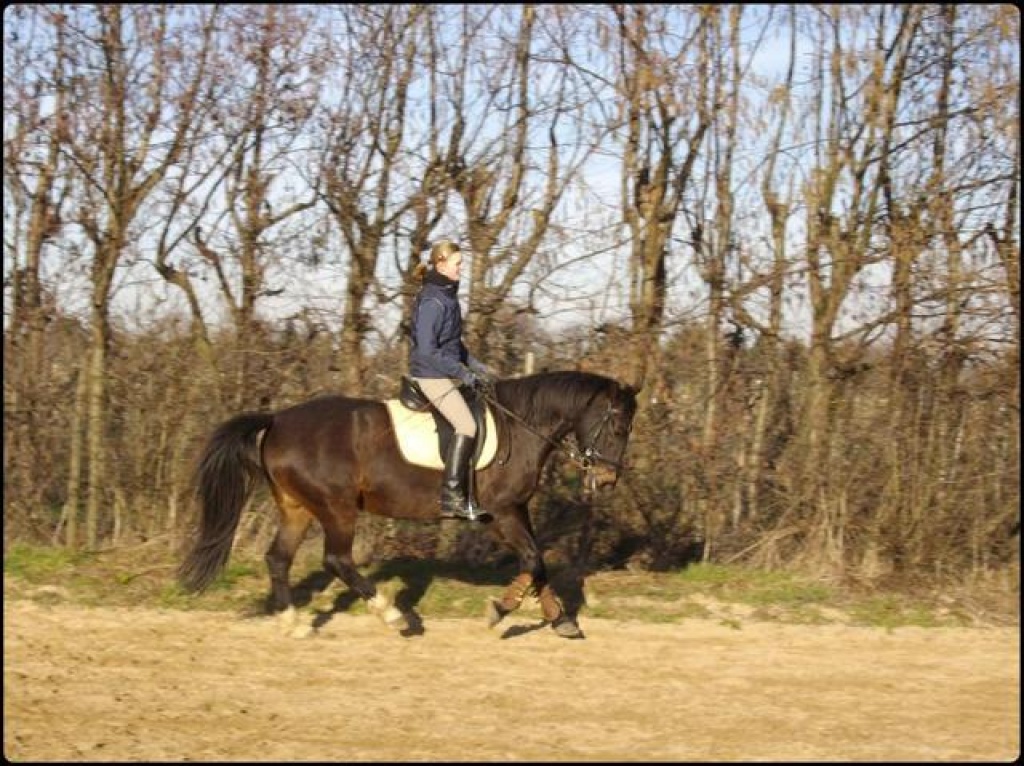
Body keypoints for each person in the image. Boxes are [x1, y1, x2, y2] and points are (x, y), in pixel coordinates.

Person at [409, 240, 494, 522]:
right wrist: (463, 374)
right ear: (441, 264)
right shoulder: (432, 301)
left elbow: (452, 345)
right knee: (467, 425)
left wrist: (477, 367)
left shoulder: (447, 296)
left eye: (461, 264)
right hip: (429, 375)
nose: (461, 269)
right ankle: (452, 497)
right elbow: (427, 350)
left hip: (443, 371)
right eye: (458, 264)